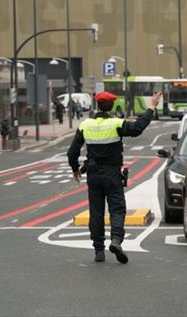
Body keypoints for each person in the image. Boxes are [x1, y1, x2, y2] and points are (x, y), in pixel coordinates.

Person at [67, 90, 163, 263]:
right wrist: (151, 107)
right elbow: (137, 128)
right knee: (117, 209)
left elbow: (72, 152)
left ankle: (98, 250)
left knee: (96, 212)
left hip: (93, 175)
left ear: (97, 106)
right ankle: (116, 241)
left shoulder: (85, 125)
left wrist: (75, 169)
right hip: (112, 174)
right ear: (111, 107)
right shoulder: (116, 124)